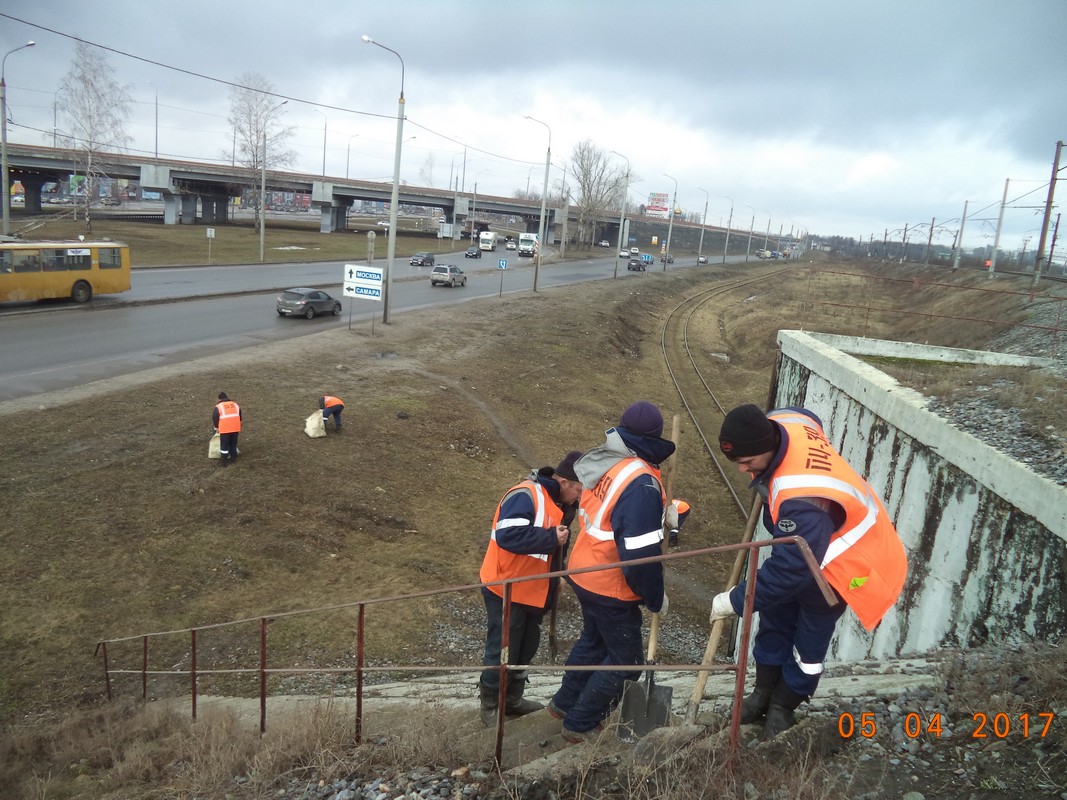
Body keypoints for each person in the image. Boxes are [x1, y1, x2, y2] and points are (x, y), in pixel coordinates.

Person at [711, 404, 907, 740]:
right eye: (738, 462)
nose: (743, 470)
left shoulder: (804, 497)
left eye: (748, 462)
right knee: (773, 622)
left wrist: (737, 599)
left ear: (769, 447)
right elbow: (804, 415)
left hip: (843, 567)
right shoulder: (787, 423)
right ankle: (761, 695)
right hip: (804, 549)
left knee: (808, 645)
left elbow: (792, 571)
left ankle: (784, 706)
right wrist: (763, 474)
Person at [549, 400, 674, 743]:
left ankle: (562, 704)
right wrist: (654, 597)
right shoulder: (642, 483)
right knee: (626, 662)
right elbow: (639, 556)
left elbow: (608, 516)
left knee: (592, 642)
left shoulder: (610, 463)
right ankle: (580, 724)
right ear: (655, 438)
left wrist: (666, 516)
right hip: (611, 584)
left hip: (584, 572)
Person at [477, 450, 585, 726]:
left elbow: (555, 548)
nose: (580, 496)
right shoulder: (526, 494)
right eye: (577, 489)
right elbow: (508, 535)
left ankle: (513, 698)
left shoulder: (560, 504)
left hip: (534, 591)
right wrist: (551, 537)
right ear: (564, 483)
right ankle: (490, 704)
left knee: (525, 647)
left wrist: (556, 576)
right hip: (507, 588)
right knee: (502, 648)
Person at [212, 392, 242, 467]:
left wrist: (216, 427)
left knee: (224, 446)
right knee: (233, 444)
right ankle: (234, 459)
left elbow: (215, 418)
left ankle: (224, 461)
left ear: (219, 399)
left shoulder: (218, 406)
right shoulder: (235, 404)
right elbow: (240, 417)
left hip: (225, 429)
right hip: (235, 428)